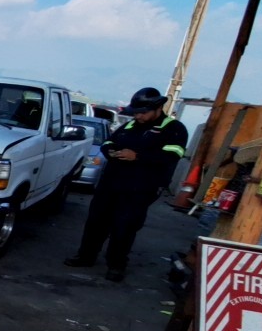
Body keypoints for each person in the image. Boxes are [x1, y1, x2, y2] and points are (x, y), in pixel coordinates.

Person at [64, 87, 188, 282]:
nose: (138, 116)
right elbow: (107, 143)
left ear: (157, 108)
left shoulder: (173, 129)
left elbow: (172, 155)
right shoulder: (130, 126)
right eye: (135, 112)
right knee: (96, 221)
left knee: (125, 226)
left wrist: (138, 157)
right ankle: (86, 256)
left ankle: (116, 265)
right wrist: (111, 152)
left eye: (142, 112)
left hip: (140, 188)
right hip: (111, 183)